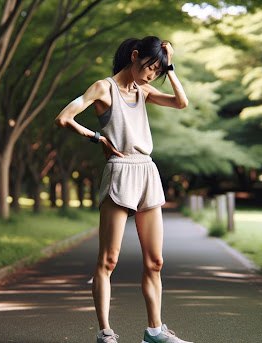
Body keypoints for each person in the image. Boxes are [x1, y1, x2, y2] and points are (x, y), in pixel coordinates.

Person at [54, 36, 192, 343]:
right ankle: (106, 332)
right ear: (134, 56)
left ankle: (154, 332)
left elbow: (181, 102)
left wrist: (170, 67)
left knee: (155, 262)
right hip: (120, 172)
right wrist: (97, 138)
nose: (151, 74)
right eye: (149, 67)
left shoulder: (144, 90)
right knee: (109, 260)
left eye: (157, 70)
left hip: (147, 171)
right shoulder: (104, 87)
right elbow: (64, 117)